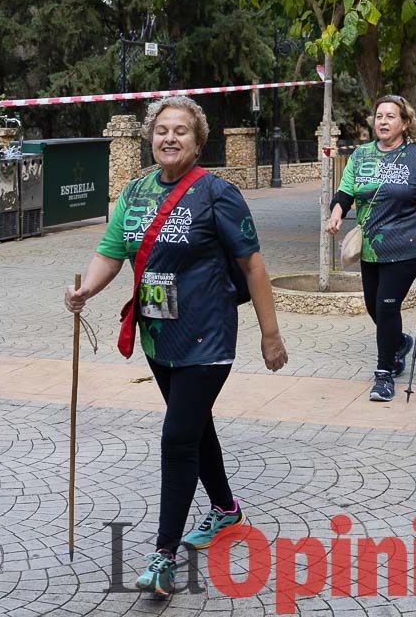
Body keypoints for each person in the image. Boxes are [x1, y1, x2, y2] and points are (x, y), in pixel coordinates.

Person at [63, 95, 288, 596]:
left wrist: (270, 334)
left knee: (177, 438)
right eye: (162, 129)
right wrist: (85, 291)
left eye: (181, 130)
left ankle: (163, 556)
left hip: (208, 334)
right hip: (158, 335)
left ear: (198, 139)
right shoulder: (135, 192)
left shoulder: (217, 194)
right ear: (149, 136)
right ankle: (227, 510)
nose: (170, 137)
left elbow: (253, 266)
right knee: (195, 425)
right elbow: (111, 253)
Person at [326, 95, 416, 402]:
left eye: (391, 116)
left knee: (386, 306)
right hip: (371, 246)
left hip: (407, 244)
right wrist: (335, 214)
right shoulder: (361, 155)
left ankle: (384, 374)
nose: (383, 121)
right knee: (374, 307)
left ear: (405, 123)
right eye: (379, 116)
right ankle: (398, 342)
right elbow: (345, 193)